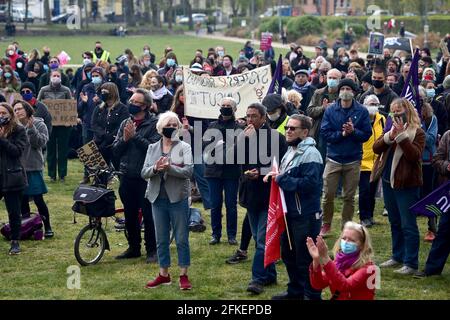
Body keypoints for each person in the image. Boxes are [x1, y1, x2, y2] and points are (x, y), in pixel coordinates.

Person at [268, 114, 323, 300]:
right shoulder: (291, 150)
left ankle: (311, 294)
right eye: (287, 128)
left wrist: (282, 179)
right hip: (289, 212)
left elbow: (310, 184)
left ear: (305, 132)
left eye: (293, 128)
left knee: (305, 258)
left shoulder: (311, 154)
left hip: (305, 213)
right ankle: (296, 291)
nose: (288, 131)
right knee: (289, 254)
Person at [236, 102, 288, 295]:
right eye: (247, 116)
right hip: (250, 195)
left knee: (261, 240)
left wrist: (262, 172)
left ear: (264, 118)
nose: (249, 120)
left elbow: (281, 166)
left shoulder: (277, 138)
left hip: (268, 194)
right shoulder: (244, 136)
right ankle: (270, 275)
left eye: (254, 116)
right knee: (260, 237)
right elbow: (234, 161)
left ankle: (257, 279)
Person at [142, 111, 194, 290]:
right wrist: (156, 169)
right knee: (161, 239)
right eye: (168, 125)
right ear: (160, 128)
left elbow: (188, 172)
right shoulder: (152, 148)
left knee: (181, 238)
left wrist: (169, 168)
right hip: (157, 198)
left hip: (177, 198)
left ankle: (183, 274)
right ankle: (163, 274)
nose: (171, 127)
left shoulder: (184, 147)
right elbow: (144, 172)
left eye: (174, 125)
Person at [375, 98, 425, 275]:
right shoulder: (390, 129)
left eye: (399, 111)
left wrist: (402, 136)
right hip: (389, 183)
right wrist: (390, 136)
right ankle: (397, 256)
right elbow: (376, 148)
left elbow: (414, 156)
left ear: (408, 111)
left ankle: (411, 263)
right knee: (394, 221)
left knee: (408, 224)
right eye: (393, 112)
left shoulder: (417, 132)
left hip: (406, 186)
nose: (396, 115)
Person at [319, 79, 372, 237]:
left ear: (354, 92)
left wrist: (353, 131)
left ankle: (346, 227)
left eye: (349, 88)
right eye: (343, 88)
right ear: (339, 91)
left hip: (353, 159)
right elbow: (325, 133)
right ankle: (326, 224)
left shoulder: (362, 111)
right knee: (328, 194)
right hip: (334, 158)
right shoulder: (331, 110)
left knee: (349, 196)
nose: (345, 91)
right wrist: (342, 134)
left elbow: (366, 134)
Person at [112, 89, 159, 263]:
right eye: (130, 100)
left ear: (145, 106)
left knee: (149, 215)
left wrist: (134, 137)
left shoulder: (154, 124)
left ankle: (152, 250)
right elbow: (115, 150)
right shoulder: (126, 122)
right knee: (130, 215)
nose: (130, 104)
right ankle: (133, 247)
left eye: (135, 102)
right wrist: (125, 139)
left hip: (145, 177)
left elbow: (153, 149)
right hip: (127, 175)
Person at [204, 97, 243, 245]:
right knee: (215, 204)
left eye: (229, 106)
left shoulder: (239, 127)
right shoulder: (212, 125)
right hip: (213, 171)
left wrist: (220, 145)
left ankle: (231, 235)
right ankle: (216, 234)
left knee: (231, 205)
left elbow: (239, 147)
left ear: (235, 109)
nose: (226, 107)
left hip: (231, 172)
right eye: (224, 105)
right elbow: (206, 145)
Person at [12, 100, 52, 238]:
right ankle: (26, 227)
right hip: (18, 168)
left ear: (27, 110)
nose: (17, 112)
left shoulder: (40, 124)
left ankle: (47, 227)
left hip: (33, 167)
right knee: (22, 199)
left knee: (38, 199)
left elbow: (40, 143)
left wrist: (31, 129)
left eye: (19, 109)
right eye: (15, 110)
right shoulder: (13, 126)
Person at [307, 222, 376, 300]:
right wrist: (316, 260)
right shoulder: (338, 262)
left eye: (352, 240)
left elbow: (345, 285)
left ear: (362, 245)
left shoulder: (370, 269)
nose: (346, 242)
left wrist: (326, 259)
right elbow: (318, 284)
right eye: (344, 238)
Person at [414, 129, 450, 278]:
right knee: (444, 231)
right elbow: (436, 159)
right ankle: (432, 269)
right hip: (448, 194)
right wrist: (446, 166)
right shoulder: (448, 135)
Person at [0, 102, 28, 255]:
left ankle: (15, 241)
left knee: (14, 212)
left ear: (10, 115)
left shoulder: (18, 130)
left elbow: (17, 151)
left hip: (12, 176)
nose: (1, 116)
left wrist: (2, 139)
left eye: (3, 113)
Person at [37, 69, 73, 182]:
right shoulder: (44, 90)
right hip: (49, 125)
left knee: (63, 150)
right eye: (54, 75)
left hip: (63, 125)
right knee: (51, 150)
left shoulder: (66, 90)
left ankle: (62, 174)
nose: (56, 77)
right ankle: (52, 175)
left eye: (58, 75)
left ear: (61, 77)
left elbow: (70, 105)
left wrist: (70, 120)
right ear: (50, 77)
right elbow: (38, 104)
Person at [359, 95, 386, 227]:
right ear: (364, 104)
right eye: (371, 103)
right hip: (363, 162)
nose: (373, 106)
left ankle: (370, 215)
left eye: (376, 104)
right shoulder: (360, 118)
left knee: (372, 191)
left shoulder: (382, 119)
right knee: (364, 191)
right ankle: (363, 217)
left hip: (377, 162)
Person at [91, 82, 129, 170]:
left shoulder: (123, 109)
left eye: (105, 92)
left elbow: (121, 125)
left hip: (114, 144)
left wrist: (109, 138)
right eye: (102, 92)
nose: (102, 94)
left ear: (112, 93)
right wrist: (103, 135)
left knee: (118, 168)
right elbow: (94, 124)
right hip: (99, 142)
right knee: (98, 170)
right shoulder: (99, 108)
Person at [307, 68, 342, 160]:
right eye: (330, 77)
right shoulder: (319, 93)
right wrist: (323, 108)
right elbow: (310, 111)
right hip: (319, 130)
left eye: (335, 78)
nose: (332, 80)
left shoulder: (342, 94)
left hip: (336, 130)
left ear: (339, 80)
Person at [78, 66, 105, 183]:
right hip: (87, 123)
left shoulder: (106, 88)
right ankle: (87, 174)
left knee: (99, 150)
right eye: (93, 76)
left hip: (100, 124)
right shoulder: (86, 87)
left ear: (102, 76)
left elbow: (111, 104)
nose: (94, 78)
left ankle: (99, 176)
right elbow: (79, 108)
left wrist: (100, 101)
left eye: (97, 76)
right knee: (87, 149)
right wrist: (83, 102)